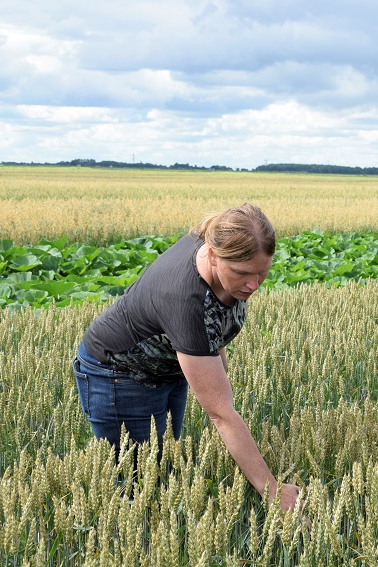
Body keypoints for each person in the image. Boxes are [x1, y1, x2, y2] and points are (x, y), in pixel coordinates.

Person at [72, 203, 300, 511]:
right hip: (118, 376)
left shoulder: (214, 237)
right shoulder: (185, 301)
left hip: (168, 368)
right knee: (140, 490)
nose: (253, 285)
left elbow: (211, 337)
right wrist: (271, 490)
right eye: (243, 274)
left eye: (263, 272)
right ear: (213, 254)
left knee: (162, 464)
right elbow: (220, 413)